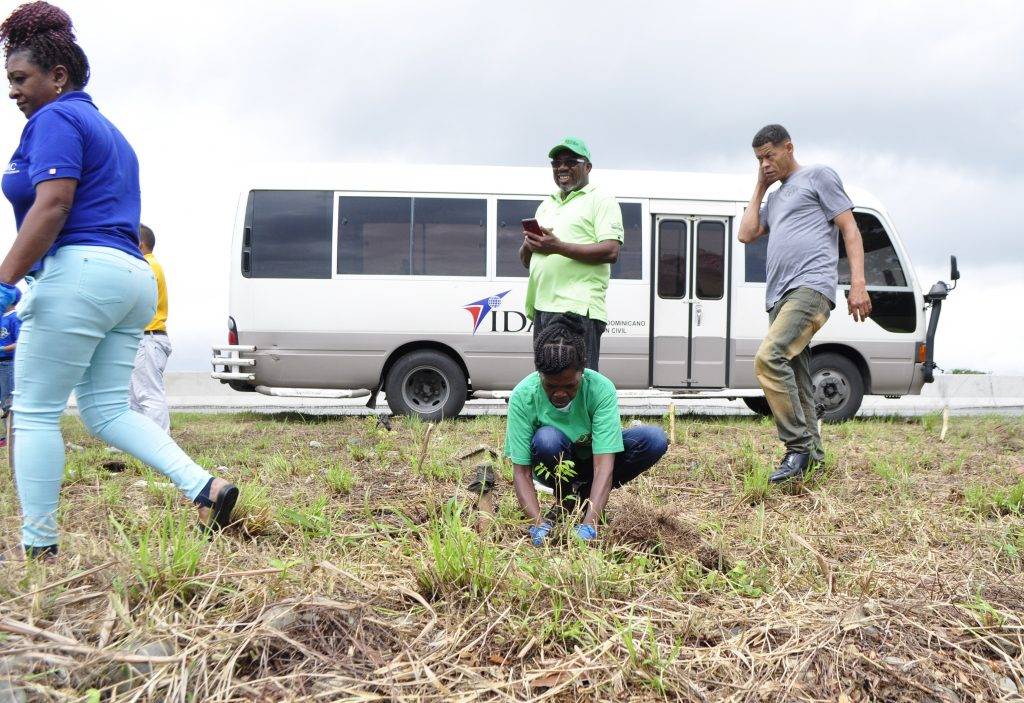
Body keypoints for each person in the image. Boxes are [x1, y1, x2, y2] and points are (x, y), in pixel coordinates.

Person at [0, 1, 237, 559]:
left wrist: (6, 281)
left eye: (20, 79)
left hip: (81, 271)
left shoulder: (54, 119)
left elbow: (54, 204)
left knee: (34, 412)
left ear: (58, 76)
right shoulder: (109, 129)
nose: (13, 92)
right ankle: (205, 487)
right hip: (131, 279)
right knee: (107, 410)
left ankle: (39, 549)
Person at [737, 124, 871, 483]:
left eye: (770, 155)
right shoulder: (776, 198)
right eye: (759, 159)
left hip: (811, 287)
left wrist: (857, 283)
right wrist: (761, 187)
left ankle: (796, 448)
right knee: (795, 377)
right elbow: (745, 234)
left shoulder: (818, 176)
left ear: (789, 147)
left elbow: (850, 228)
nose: (765, 163)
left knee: (769, 358)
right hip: (778, 295)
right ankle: (812, 458)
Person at [505, 313, 668, 545]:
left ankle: (586, 496)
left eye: (570, 385)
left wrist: (590, 525)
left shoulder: (600, 389)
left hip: (593, 465)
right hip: (552, 465)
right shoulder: (523, 396)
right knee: (547, 439)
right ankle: (566, 500)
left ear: (583, 371)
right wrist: (537, 524)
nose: (560, 393)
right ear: (540, 375)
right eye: (550, 386)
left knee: (653, 439)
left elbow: (604, 466)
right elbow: (521, 472)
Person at [519, 137, 623, 371]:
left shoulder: (602, 200)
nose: (562, 168)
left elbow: (611, 250)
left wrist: (557, 247)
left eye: (570, 161)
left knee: (577, 381)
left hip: (577, 309)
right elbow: (527, 261)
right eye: (556, 163)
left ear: (587, 167)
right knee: (546, 381)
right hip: (543, 307)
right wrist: (529, 244)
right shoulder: (547, 204)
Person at [128, 224, 171, 432]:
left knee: (148, 394)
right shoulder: (149, 265)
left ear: (139, 243)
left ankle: (159, 443)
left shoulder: (147, 266)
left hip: (148, 338)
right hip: (144, 338)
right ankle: (138, 442)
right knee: (134, 396)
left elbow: (132, 299)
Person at [0, 303, 20, 447]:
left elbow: (20, 342)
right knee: (3, 401)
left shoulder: (14, 318)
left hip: (8, 364)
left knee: (9, 401)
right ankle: (5, 435)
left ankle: (12, 438)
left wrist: (3, 348)